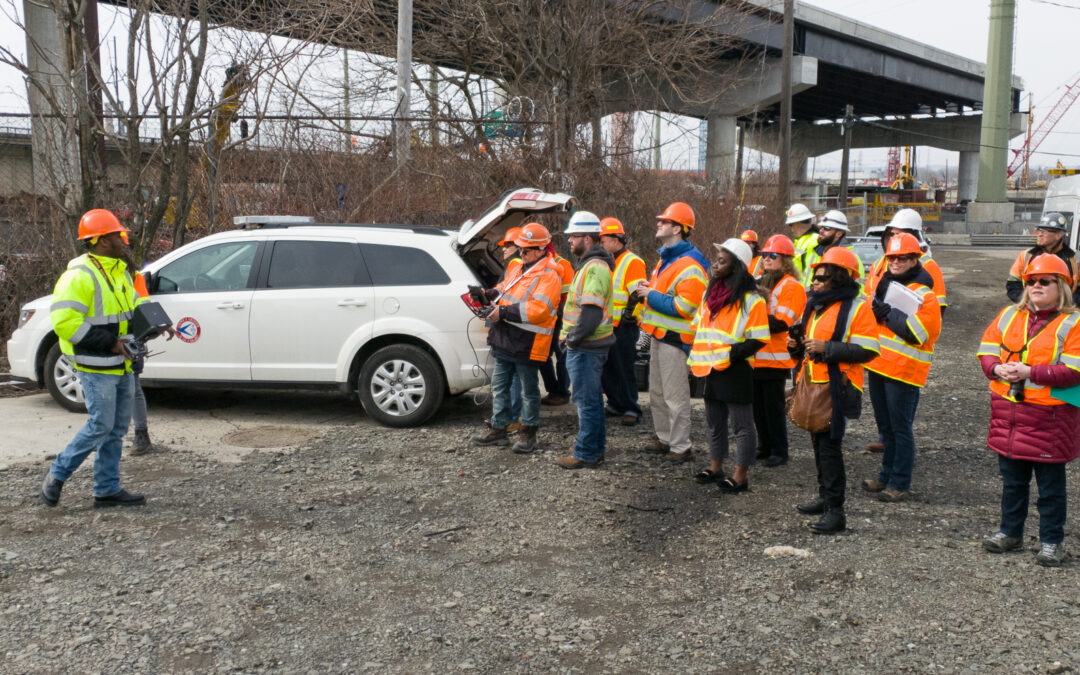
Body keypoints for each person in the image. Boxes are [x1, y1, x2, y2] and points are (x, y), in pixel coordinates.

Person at [40, 210, 157, 508]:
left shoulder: (119, 271)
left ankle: (106, 489)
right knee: (100, 426)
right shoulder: (79, 275)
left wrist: (156, 324)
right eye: (118, 234)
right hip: (97, 365)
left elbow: (130, 311)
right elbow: (65, 323)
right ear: (102, 240)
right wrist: (112, 343)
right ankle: (57, 474)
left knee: (116, 429)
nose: (124, 239)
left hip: (122, 364)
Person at [977, 254, 1080, 567]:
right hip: (1009, 415)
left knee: (1050, 489)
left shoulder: (1073, 323)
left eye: (1045, 281)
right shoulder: (1009, 315)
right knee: (1013, 483)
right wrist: (996, 369)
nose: (1036, 285)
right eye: (1031, 281)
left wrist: (1029, 372)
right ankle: (1010, 533)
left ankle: (1051, 542)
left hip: (1050, 419)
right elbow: (987, 349)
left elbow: (1074, 371)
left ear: (1062, 287)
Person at [788, 247, 880, 534]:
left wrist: (827, 348)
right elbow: (808, 346)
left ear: (839, 278)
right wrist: (797, 347)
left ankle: (835, 512)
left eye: (821, 277)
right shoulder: (816, 305)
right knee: (819, 445)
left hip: (838, 388)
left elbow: (868, 350)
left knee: (829, 449)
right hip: (813, 384)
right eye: (814, 277)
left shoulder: (857, 308)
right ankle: (825, 498)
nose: (814, 282)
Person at [862, 233, 942, 502]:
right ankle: (886, 477)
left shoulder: (925, 296)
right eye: (892, 257)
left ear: (914, 259)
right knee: (887, 429)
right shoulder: (885, 287)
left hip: (904, 371)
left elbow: (917, 333)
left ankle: (899, 483)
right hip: (879, 366)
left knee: (900, 429)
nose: (896, 262)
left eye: (902, 258)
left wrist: (886, 313)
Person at [471, 223, 563, 453]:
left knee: (528, 391)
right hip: (506, 338)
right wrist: (489, 294)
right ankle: (499, 428)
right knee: (499, 386)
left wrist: (502, 312)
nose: (521, 253)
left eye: (526, 249)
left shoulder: (549, 274)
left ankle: (528, 434)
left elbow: (540, 310)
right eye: (520, 248)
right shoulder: (521, 267)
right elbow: (505, 288)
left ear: (541, 249)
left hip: (527, 343)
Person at [863, 208, 947, 453]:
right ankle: (886, 443)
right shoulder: (881, 263)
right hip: (880, 355)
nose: (895, 238)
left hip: (905, 357)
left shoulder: (928, 266)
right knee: (887, 417)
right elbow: (869, 296)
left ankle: (897, 461)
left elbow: (934, 311)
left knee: (900, 422)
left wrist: (890, 315)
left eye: (900, 233)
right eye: (891, 233)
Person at [688, 238, 768, 492]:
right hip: (709, 368)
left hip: (736, 369)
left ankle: (740, 477)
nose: (715, 265)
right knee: (715, 422)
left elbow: (759, 339)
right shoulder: (708, 295)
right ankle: (715, 468)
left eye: (722, 261)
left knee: (742, 426)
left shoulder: (752, 300)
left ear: (737, 267)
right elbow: (699, 329)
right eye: (716, 260)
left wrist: (730, 354)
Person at [634, 202, 709, 463]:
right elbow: (665, 293)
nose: (659, 224)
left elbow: (684, 308)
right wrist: (649, 288)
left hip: (676, 340)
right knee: (657, 393)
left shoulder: (690, 265)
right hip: (660, 336)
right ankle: (665, 438)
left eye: (664, 221)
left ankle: (680, 447)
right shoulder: (666, 259)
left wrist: (650, 294)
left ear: (678, 229)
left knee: (675, 396)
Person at [555, 212, 615, 469]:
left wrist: (572, 340)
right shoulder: (590, 266)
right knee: (592, 401)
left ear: (588, 238)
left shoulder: (594, 268)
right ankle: (594, 448)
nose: (569, 240)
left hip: (586, 347)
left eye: (574, 236)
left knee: (586, 402)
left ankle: (585, 453)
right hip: (588, 346)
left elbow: (590, 313)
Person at [750, 234, 806, 467]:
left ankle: (779, 451)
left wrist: (750, 320)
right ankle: (764, 446)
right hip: (756, 357)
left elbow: (781, 323)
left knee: (773, 408)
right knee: (758, 408)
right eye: (764, 255)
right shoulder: (761, 281)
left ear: (786, 260)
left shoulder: (791, 286)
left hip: (775, 358)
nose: (767, 258)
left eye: (773, 255)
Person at [123, 242, 176, 456]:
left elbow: (143, 304)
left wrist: (159, 323)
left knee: (132, 388)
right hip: (112, 340)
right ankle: (108, 435)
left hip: (128, 340)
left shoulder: (132, 276)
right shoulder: (100, 276)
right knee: (124, 390)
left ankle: (140, 435)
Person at [598, 216, 647, 426]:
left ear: (615, 239)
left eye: (602, 240)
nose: (600, 244)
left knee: (624, 367)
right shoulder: (609, 261)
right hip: (608, 325)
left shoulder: (632, 261)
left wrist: (630, 317)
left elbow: (638, 294)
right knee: (608, 367)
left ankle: (631, 408)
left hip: (624, 327)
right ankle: (616, 404)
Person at [1005, 212, 1080, 306]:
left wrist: (1066, 304)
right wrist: (1029, 302)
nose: (1039, 234)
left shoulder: (1076, 258)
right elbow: (1013, 284)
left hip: (1066, 310)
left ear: (1058, 235)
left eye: (1044, 231)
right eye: (1039, 230)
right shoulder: (1026, 256)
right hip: (1032, 309)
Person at [539, 243, 574, 406]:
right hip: (545, 318)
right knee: (543, 356)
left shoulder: (562, 264)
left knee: (561, 356)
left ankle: (562, 392)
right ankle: (554, 391)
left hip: (559, 318)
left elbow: (569, 296)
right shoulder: (539, 263)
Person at [498, 226, 524, 431]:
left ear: (517, 246)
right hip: (514, 321)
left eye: (507, 245)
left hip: (512, 323)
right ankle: (515, 416)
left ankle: (514, 417)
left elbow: (510, 293)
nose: (503, 249)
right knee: (517, 375)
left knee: (515, 375)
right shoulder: (519, 264)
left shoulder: (515, 264)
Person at [802, 210, 864, 287]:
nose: (821, 231)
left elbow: (859, 289)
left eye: (827, 228)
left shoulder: (851, 259)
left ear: (839, 234)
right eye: (821, 227)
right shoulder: (813, 252)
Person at [785, 202, 819, 284]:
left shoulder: (814, 240)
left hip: (806, 290)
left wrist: (806, 290)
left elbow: (810, 273)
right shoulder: (801, 241)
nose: (792, 229)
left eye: (791, 224)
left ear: (798, 223)